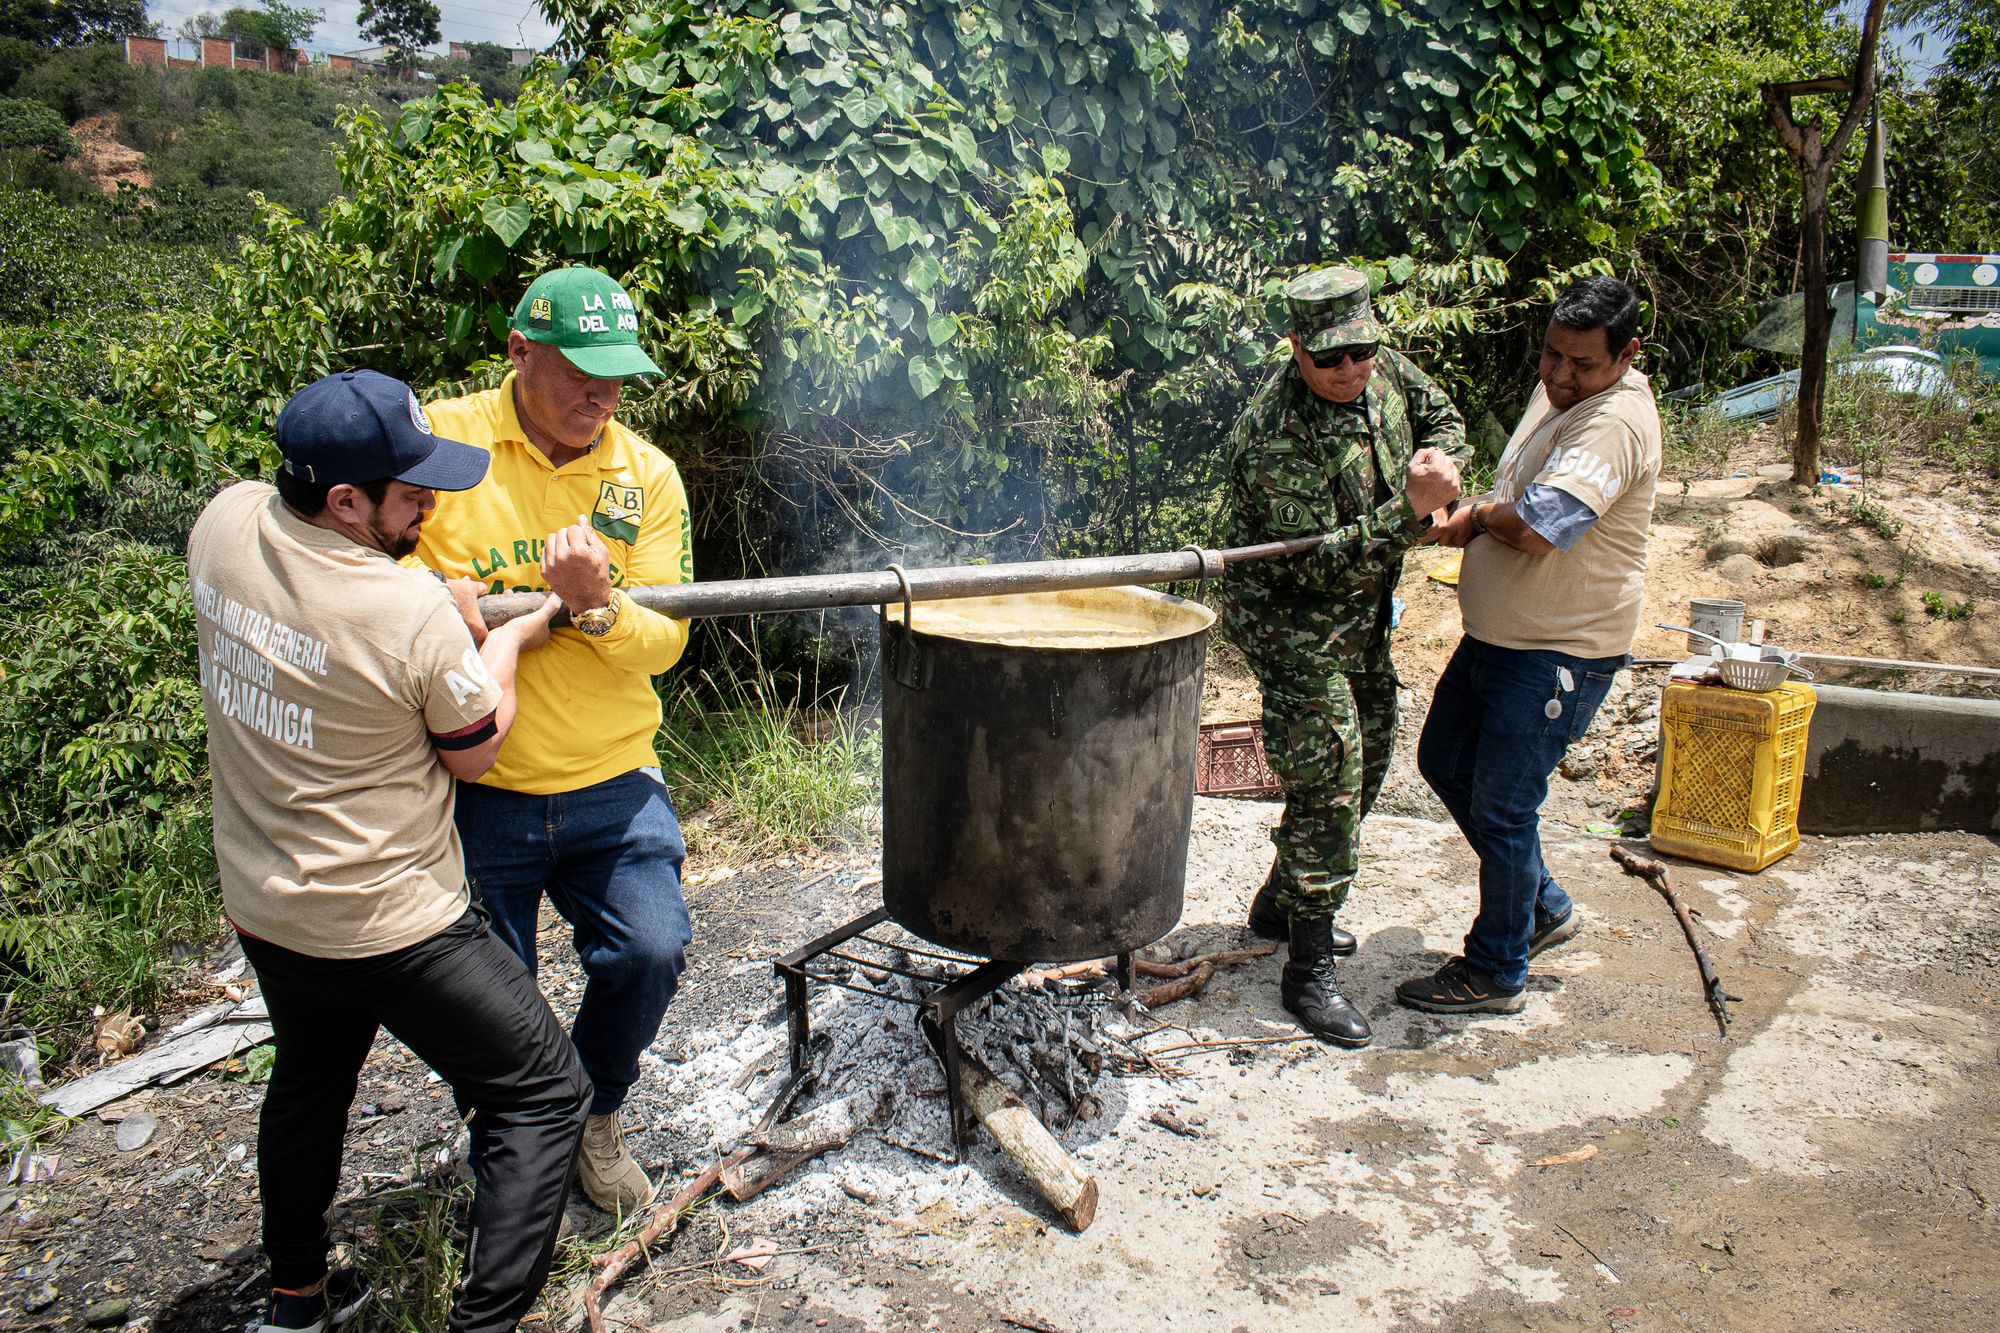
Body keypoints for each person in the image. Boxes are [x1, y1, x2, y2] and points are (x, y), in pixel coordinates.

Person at [188, 370, 586, 1333]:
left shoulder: (226, 522)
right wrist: (510, 632)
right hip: (389, 921)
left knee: (310, 1082)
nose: (429, 506)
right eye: (410, 494)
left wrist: (438, 614)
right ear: (345, 501)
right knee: (544, 1091)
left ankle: (295, 1301)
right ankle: (482, 1324)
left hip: (268, 903)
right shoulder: (399, 609)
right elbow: (479, 745)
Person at [417, 266, 695, 1213]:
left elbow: (667, 642)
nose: (602, 396)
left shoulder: (645, 475)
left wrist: (599, 607)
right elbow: (361, 560)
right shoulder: (440, 441)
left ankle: (591, 1113)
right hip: (474, 778)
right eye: (581, 372)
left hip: (612, 773)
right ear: (520, 352)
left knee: (651, 948)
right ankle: (508, 1140)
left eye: (618, 376)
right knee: (489, 993)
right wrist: (428, 609)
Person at [1398, 274, 1662, 1015]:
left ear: (1627, 354)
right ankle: (1540, 904)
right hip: (1503, 640)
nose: (1558, 375)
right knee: (1444, 759)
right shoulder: (1566, 393)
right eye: (1551, 356)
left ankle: (1496, 968)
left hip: (1556, 654)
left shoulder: (1613, 421)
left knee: (1506, 806)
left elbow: (1545, 527)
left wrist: (1477, 516)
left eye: (1580, 364)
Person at [1216, 265, 1465, 1049]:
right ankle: (1308, 968)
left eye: (1362, 350)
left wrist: (1441, 466)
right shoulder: (1273, 435)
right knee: (1328, 769)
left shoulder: (1382, 369)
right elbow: (1315, 562)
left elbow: (1445, 418)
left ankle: (1280, 902)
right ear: (1296, 349)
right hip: (1289, 616)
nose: (1352, 370)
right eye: (1332, 359)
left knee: (1372, 754)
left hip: (1359, 615)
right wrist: (1412, 511)